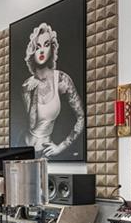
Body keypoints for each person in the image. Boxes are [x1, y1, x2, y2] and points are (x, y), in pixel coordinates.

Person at [21, 22, 84, 157]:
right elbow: (32, 123)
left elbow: (81, 117)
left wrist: (61, 147)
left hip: (46, 151)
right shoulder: (27, 85)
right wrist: (33, 91)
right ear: (33, 52)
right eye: (37, 47)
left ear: (52, 48)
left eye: (46, 44)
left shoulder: (61, 79)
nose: (42, 50)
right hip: (24, 149)